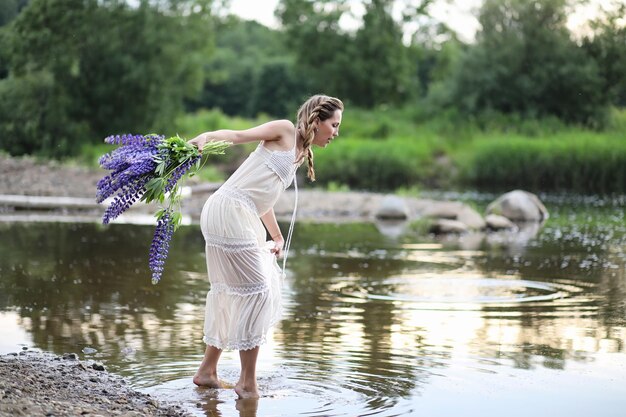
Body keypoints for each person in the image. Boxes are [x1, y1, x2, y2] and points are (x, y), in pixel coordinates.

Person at [188, 94, 344, 399]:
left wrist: (277, 236)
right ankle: (247, 383)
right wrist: (206, 136)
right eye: (334, 124)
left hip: (238, 212)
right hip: (230, 210)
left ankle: (207, 372)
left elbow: (263, 200)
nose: (336, 132)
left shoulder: (299, 153)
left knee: (238, 290)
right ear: (317, 120)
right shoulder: (284, 130)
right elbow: (237, 136)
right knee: (258, 290)